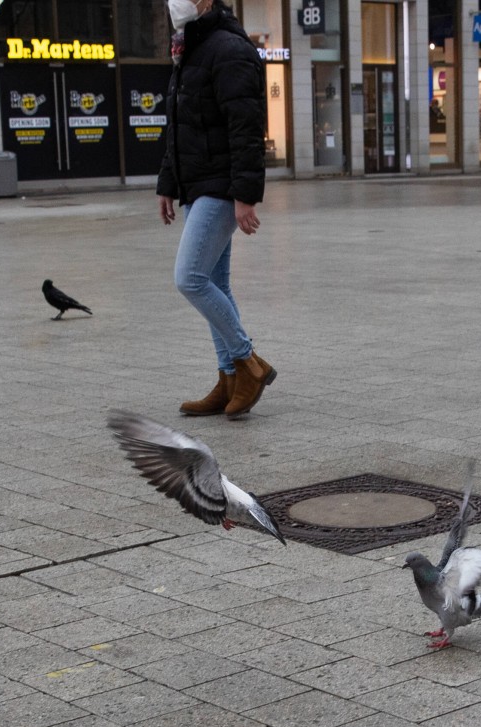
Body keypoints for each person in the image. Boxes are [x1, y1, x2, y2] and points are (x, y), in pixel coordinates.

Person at [158, 0, 273, 419]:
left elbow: (245, 125)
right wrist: (168, 185)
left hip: (221, 185)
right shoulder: (190, 46)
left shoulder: (228, 48)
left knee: (189, 277)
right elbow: (180, 125)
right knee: (215, 284)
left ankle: (249, 362)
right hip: (198, 183)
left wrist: (245, 194)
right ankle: (229, 379)